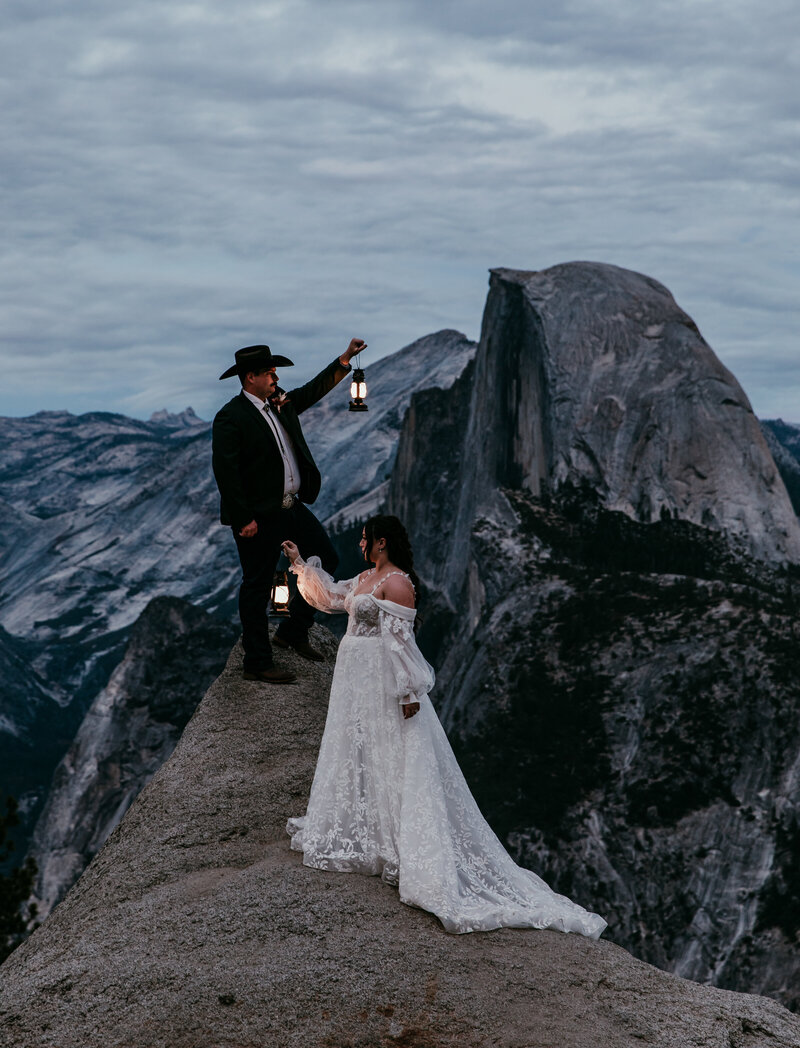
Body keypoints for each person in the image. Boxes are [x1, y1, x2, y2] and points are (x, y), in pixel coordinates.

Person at [281, 515, 607, 938]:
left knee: (393, 755)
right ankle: (375, 835)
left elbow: (402, 644)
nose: (360, 544)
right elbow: (332, 597)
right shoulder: (367, 576)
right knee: (360, 749)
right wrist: (301, 565)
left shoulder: (397, 583)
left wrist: (408, 693)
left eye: (365, 540)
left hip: (381, 684)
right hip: (354, 682)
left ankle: (404, 846)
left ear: (382, 543)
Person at [212, 338, 365, 684]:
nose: (275, 378)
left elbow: (313, 390)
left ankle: (293, 629)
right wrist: (242, 518)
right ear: (250, 377)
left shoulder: (279, 404)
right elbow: (226, 472)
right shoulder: (231, 417)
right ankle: (258, 661)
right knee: (257, 583)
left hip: (290, 508)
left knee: (325, 556)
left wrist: (344, 360)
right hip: (258, 518)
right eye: (269, 373)